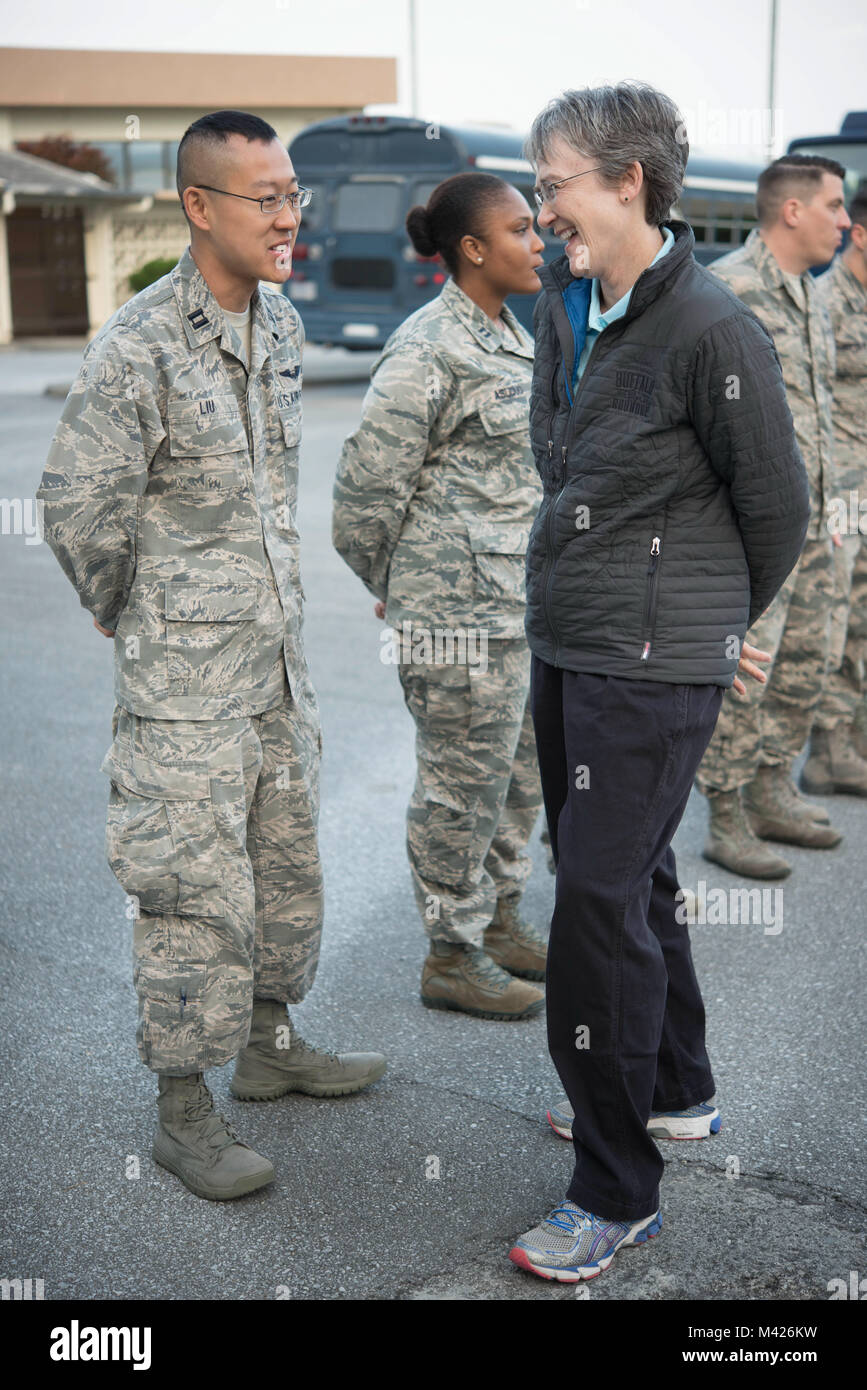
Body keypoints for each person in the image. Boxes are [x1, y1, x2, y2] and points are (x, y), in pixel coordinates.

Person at [37, 110, 385, 1204]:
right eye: (266, 197)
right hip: (183, 687)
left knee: (283, 863)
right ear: (199, 206)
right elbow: (77, 506)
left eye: (294, 196)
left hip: (276, 666)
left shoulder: (278, 326)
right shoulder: (137, 344)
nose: (290, 216)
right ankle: (185, 1110)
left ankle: (270, 1043)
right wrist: (131, 607)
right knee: (191, 885)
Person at [507, 82, 809, 1283]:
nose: (542, 213)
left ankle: (614, 1184)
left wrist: (713, 622)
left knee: (592, 903)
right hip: (570, 639)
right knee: (631, 877)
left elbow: (776, 507)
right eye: (535, 191)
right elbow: (555, 449)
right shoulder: (566, 302)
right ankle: (676, 1089)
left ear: (629, 180)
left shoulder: (712, 329)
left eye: (556, 186)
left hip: (647, 663)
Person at [333, 173, 549, 1020]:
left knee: (512, 779)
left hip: (513, 610)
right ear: (472, 248)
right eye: (521, 230)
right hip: (455, 620)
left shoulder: (509, 335)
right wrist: (396, 585)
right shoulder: (428, 348)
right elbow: (363, 492)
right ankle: (449, 954)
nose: (538, 243)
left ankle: (496, 922)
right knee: (459, 787)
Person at [696, 154, 852, 876]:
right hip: (753, 527)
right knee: (747, 667)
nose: (844, 221)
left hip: (819, 515)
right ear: (791, 211)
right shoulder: (729, 290)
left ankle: (770, 786)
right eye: (833, 206)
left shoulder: (812, 294)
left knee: (805, 659)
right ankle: (724, 812)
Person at [801, 180, 867, 794]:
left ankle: (852, 736)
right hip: (841, 492)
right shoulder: (825, 302)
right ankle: (828, 748)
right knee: (837, 619)